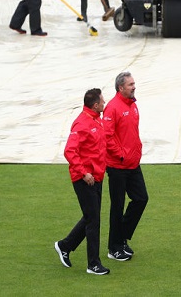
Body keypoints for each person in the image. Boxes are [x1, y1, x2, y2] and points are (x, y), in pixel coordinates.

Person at [54, 88, 110, 276]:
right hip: (84, 179)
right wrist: (84, 172)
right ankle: (93, 264)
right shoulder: (81, 123)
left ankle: (65, 245)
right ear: (95, 105)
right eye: (102, 101)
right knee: (93, 220)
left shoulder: (96, 119)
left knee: (90, 218)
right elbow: (70, 151)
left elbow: (98, 149)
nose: (105, 103)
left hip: (96, 177)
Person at [103, 72, 148, 261]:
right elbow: (107, 136)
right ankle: (114, 248)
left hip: (132, 163)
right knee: (118, 206)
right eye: (130, 84)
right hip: (118, 166)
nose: (134, 86)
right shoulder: (112, 108)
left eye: (134, 83)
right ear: (120, 87)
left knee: (141, 199)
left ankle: (121, 238)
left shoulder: (133, 105)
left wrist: (136, 151)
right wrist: (121, 154)